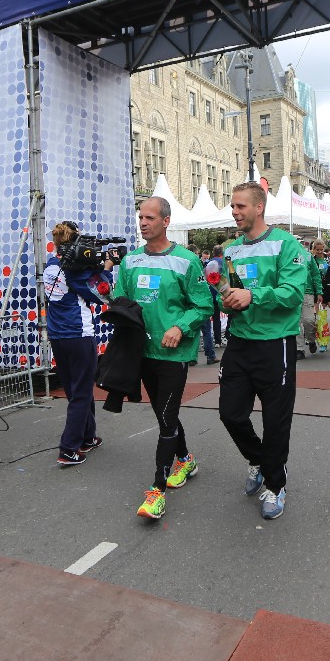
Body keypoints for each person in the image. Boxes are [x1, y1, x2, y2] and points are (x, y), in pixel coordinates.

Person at [112, 197, 212, 520]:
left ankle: (157, 492)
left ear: (166, 221)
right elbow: (121, 301)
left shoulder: (187, 261)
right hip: (142, 352)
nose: (143, 222)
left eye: (150, 217)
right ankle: (186, 460)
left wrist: (180, 327)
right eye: (141, 217)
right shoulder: (130, 261)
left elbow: (204, 305)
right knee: (163, 414)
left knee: (167, 418)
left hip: (173, 354)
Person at [218, 181, 308, 520]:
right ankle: (258, 459)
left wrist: (253, 295)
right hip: (240, 341)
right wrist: (226, 300)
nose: (234, 211)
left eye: (240, 206)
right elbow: (229, 292)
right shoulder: (231, 249)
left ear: (259, 207)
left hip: (275, 344)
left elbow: (293, 293)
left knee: (275, 421)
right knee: (230, 414)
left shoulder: (285, 244)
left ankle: (275, 483)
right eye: (232, 206)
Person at [40, 220, 114, 467]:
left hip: (58, 336)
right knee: (81, 393)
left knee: (75, 390)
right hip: (79, 335)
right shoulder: (75, 271)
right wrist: (106, 268)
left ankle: (87, 437)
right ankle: (69, 448)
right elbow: (102, 293)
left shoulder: (52, 264)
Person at [299, 239, 324, 358]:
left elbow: (315, 274)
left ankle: (311, 339)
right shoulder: (285, 256)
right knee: (296, 323)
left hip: (307, 292)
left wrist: (319, 291)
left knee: (308, 320)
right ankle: (299, 349)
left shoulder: (308, 257)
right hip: (292, 292)